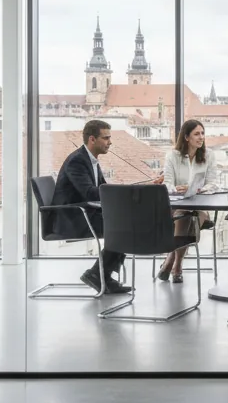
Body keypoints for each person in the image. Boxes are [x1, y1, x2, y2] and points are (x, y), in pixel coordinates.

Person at [51, 120, 161, 294]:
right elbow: (91, 193)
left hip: (86, 212)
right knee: (126, 227)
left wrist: (135, 190)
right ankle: (99, 274)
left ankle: (101, 275)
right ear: (92, 139)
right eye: (106, 138)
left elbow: (102, 190)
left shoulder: (90, 159)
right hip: (73, 217)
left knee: (127, 223)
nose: (110, 142)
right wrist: (127, 193)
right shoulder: (77, 161)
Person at [158, 119, 222, 283]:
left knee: (187, 216)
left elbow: (213, 183)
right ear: (186, 137)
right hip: (176, 207)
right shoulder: (172, 156)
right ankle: (177, 265)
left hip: (200, 207)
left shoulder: (209, 155)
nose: (201, 137)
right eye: (196, 134)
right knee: (184, 215)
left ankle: (172, 259)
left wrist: (198, 189)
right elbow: (167, 183)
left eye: (202, 133)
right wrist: (178, 188)